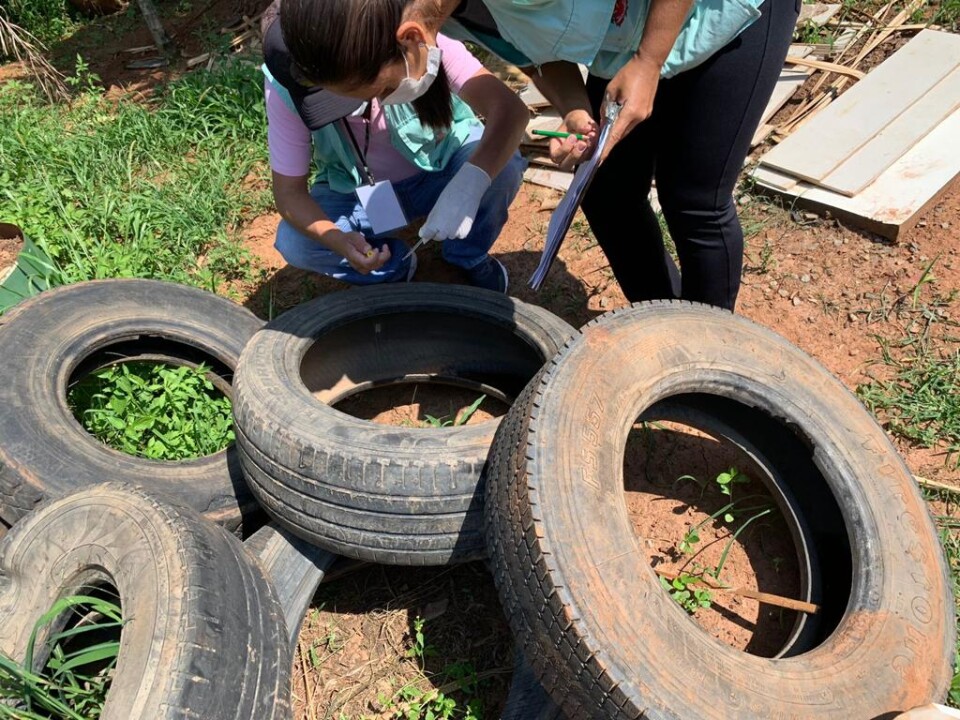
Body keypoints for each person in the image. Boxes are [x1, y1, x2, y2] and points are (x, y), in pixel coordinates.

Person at [445, 0, 800, 309]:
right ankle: (663, 322)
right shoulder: (458, 14)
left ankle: (709, 357)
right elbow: (534, 53)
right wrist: (574, 110)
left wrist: (649, 61)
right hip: (629, 39)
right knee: (606, 192)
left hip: (724, 13)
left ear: (412, 35)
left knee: (694, 202)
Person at [262, 0, 529, 293]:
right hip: (360, 193)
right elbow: (289, 194)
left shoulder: (416, 38)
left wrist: (470, 182)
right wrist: (336, 239)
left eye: (381, 90)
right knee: (295, 243)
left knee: (504, 165)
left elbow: (508, 111)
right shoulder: (284, 86)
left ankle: (466, 256)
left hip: (440, 170)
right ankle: (398, 267)